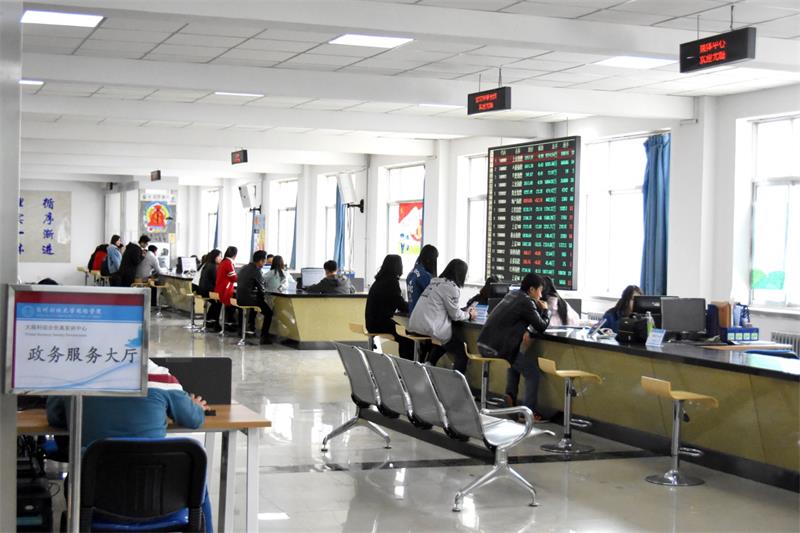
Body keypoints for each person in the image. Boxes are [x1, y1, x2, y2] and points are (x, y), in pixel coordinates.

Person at [46, 359, 206, 448]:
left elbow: (55, 417)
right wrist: (195, 407)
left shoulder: (73, 376)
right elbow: (193, 419)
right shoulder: (160, 377)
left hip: (94, 487)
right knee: (196, 482)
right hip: (152, 484)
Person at [477, 273, 551, 419]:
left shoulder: (512, 295)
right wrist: (546, 310)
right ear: (531, 289)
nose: (541, 295)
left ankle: (510, 398)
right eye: (540, 290)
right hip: (498, 349)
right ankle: (528, 413)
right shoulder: (526, 302)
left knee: (515, 363)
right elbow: (541, 326)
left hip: (484, 343)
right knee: (532, 373)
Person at [408, 258, 476, 373]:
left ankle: (429, 363)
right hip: (429, 326)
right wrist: (469, 315)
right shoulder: (451, 288)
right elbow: (455, 315)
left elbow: (441, 306)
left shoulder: (435, 282)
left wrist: (462, 311)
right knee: (462, 351)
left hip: (415, 323)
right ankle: (456, 381)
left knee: (444, 341)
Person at [365, 254, 414, 359]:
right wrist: (413, 307)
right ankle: (407, 365)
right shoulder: (392, 282)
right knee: (408, 338)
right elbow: (400, 304)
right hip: (380, 323)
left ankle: (404, 365)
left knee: (405, 336)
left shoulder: (379, 281)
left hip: (371, 322)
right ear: (398, 266)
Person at [236, 251, 273, 344]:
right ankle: (264, 337)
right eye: (265, 261)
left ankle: (250, 327)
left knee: (256, 306)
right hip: (248, 299)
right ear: (261, 261)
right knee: (269, 313)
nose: (265, 263)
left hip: (239, 298)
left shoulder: (244, 268)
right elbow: (261, 288)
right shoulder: (256, 271)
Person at [406, 244, 438, 313]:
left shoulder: (411, 273)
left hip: (412, 313)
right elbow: (434, 298)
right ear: (429, 259)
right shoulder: (425, 275)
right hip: (422, 315)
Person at [215, 246, 239, 329]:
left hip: (220, 288)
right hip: (225, 290)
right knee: (232, 305)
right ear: (235, 255)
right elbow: (234, 278)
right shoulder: (228, 263)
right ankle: (229, 324)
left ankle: (227, 323)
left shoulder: (223, 262)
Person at [198, 249, 222, 331]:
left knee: (215, 303)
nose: (221, 258)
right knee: (218, 301)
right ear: (215, 257)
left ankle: (209, 320)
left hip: (202, 290)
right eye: (220, 256)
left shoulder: (207, 264)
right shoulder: (212, 267)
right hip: (207, 291)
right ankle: (215, 323)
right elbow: (216, 280)